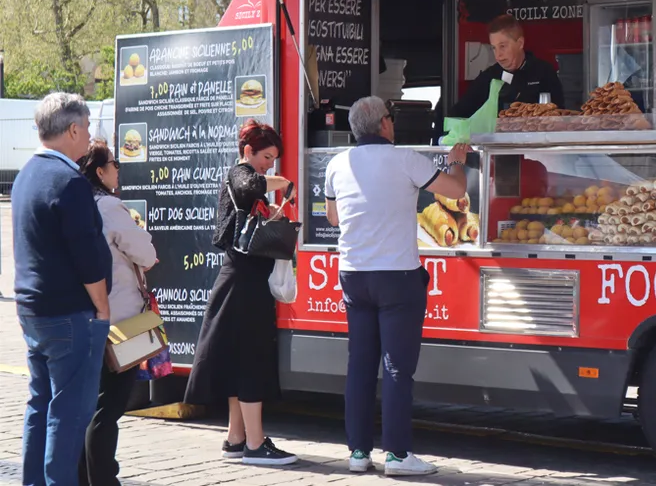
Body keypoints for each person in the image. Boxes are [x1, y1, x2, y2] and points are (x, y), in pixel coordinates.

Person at [325, 96, 470, 476]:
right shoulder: (406, 159)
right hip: (397, 276)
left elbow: (333, 216)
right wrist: (457, 160)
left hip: (353, 274)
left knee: (359, 365)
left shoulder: (337, 164)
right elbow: (456, 191)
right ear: (385, 124)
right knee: (396, 367)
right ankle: (398, 456)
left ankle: (358, 453)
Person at [183, 120, 298, 466]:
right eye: (266, 157)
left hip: (242, 282)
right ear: (248, 151)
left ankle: (236, 439)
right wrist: (283, 183)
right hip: (243, 284)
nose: (269, 165)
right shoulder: (240, 173)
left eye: (273, 159)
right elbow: (250, 185)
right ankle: (256, 444)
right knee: (251, 361)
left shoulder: (246, 180)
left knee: (240, 360)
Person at [13, 92, 112, 486]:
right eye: (86, 128)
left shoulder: (26, 175)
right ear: (72, 130)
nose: (88, 136)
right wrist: (102, 308)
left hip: (34, 310)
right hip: (71, 314)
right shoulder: (69, 181)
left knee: (41, 405)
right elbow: (86, 255)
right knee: (69, 415)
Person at [78, 140, 158, 486]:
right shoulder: (110, 206)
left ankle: (83, 476)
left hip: (84, 317)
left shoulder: (78, 205)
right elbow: (146, 253)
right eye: (114, 164)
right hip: (120, 320)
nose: (118, 170)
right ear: (100, 171)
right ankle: (103, 478)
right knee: (109, 406)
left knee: (89, 405)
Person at [445, 14, 564, 121]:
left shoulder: (544, 72)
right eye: (494, 48)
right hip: (496, 138)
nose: (498, 55)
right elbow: (457, 114)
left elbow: (560, 116)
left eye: (502, 46)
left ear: (520, 43)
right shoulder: (489, 77)